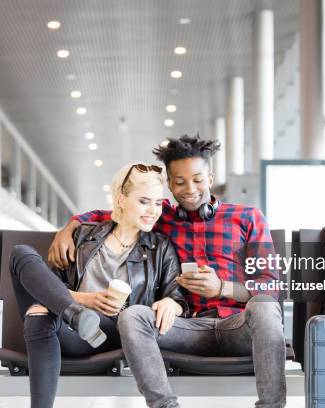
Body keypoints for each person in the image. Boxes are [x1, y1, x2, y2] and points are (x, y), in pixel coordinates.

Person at [49, 134, 286, 408]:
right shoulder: (162, 217)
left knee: (265, 307)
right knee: (133, 316)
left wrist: (221, 287)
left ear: (210, 178)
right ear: (170, 185)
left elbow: (271, 288)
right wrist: (70, 227)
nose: (190, 189)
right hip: (186, 328)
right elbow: (116, 212)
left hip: (239, 326)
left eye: (198, 179)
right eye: (180, 182)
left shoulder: (247, 217)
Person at [10, 163, 187, 408]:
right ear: (122, 200)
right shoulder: (82, 235)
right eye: (144, 201)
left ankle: (74, 315)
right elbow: (47, 288)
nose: (153, 211)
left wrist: (171, 303)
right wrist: (84, 301)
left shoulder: (161, 248)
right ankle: (75, 314)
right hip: (70, 325)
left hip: (112, 333)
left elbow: (178, 297)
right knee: (21, 258)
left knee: (39, 315)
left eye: (158, 203)